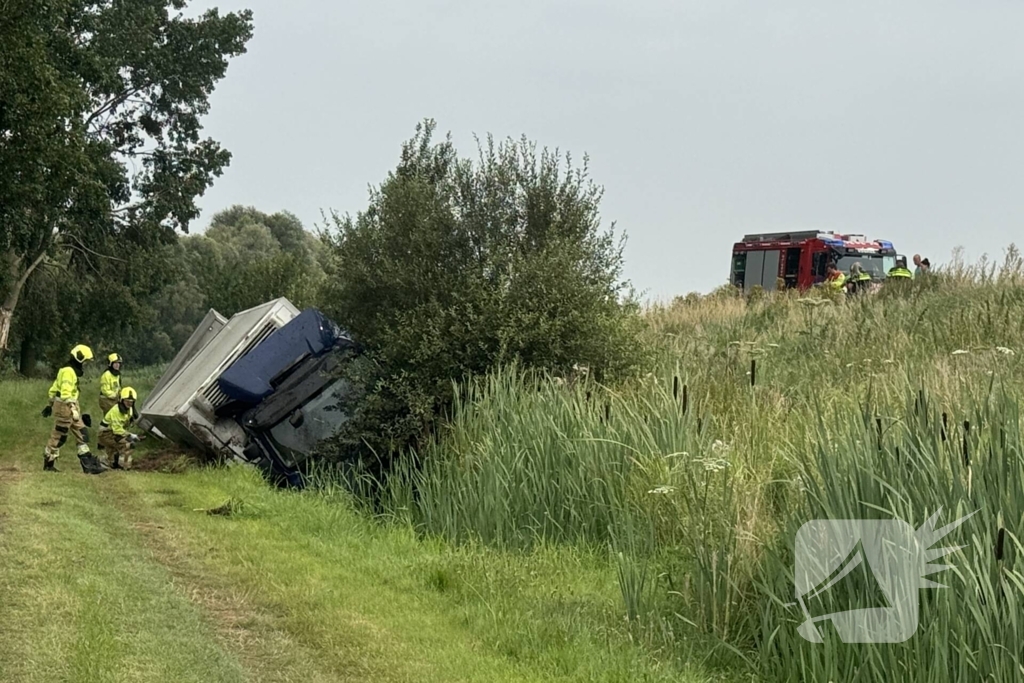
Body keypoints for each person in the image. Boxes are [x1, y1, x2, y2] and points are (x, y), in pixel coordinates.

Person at [41, 345, 108, 474]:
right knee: (59, 436)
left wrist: (50, 404)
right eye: (85, 361)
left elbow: (53, 389)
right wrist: (72, 409)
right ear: (80, 359)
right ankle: (49, 464)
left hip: (70, 407)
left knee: (82, 433)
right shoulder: (68, 372)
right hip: (66, 407)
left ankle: (88, 464)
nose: (85, 365)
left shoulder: (68, 370)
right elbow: (65, 394)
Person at [98, 387, 141, 470]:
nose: (129, 404)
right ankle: (124, 465)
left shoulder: (129, 409)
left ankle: (110, 461)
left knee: (112, 460)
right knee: (128, 444)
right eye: (127, 401)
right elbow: (117, 430)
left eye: (131, 402)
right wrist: (131, 435)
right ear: (121, 400)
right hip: (105, 434)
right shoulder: (116, 411)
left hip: (112, 433)